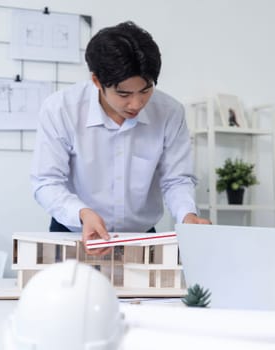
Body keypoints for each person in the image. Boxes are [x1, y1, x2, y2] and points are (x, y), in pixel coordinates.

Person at [30, 21, 210, 255]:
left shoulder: (169, 112)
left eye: (145, 90)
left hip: (142, 238)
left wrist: (187, 215)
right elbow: (46, 182)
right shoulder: (61, 109)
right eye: (124, 93)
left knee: (149, 293)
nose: (136, 104)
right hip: (75, 232)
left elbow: (176, 179)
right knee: (73, 292)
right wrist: (83, 213)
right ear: (96, 81)